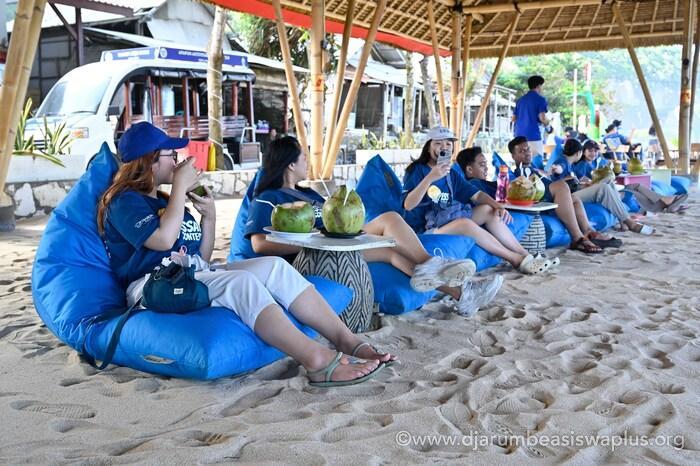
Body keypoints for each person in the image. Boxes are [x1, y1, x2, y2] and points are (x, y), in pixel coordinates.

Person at [97, 122, 391, 388]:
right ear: (149, 160)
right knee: (241, 283)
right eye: (170, 155)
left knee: (274, 267)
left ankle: (346, 340)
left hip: (189, 274)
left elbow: (202, 258)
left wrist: (209, 217)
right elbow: (163, 240)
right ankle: (316, 360)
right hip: (151, 286)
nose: (177, 161)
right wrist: (179, 191)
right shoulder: (124, 201)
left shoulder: (165, 201)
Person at [245, 136, 499, 317]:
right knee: (390, 229)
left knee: (393, 242)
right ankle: (441, 270)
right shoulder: (268, 198)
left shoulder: (309, 194)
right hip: (315, 252)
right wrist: (309, 242)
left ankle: (462, 293)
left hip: (339, 241)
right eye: (303, 157)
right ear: (290, 164)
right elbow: (259, 244)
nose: (307, 162)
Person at [402, 127, 557, 276]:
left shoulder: (451, 174)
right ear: (428, 147)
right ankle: (515, 259)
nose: (444, 147)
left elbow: (477, 195)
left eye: (448, 144)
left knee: (488, 210)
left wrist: (498, 206)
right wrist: (431, 177)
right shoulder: (416, 170)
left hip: (444, 220)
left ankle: (527, 255)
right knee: (464, 223)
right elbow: (408, 205)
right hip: (423, 229)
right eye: (438, 143)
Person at [509, 136, 618, 253]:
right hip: (538, 199)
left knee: (574, 199)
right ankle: (577, 238)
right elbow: (525, 189)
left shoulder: (534, 169)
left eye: (528, 149)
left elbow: (547, 176)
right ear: (513, 156)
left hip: (550, 195)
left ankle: (589, 231)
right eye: (521, 151)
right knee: (561, 186)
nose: (527, 153)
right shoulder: (519, 174)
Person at [551, 139, 654, 235]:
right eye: (590, 151)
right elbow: (559, 168)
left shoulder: (570, 164)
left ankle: (623, 221)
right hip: (568, 197)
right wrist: (557, 169)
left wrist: (583, 184)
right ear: (580, 153)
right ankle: (629, 222)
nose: (593, 153)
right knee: (604, 188)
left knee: (609, 180)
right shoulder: (562, 162)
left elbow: (571, 182)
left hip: (575, 191)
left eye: (595, 151)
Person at [513, 75, 550, 157]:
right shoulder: (540, 99)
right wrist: (549, 127)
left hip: (519, 137)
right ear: (538, 86)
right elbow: (542, 118)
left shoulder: (520, 100)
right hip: (533, 136)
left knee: (522, 161)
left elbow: (514, 118)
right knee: (536, 161)